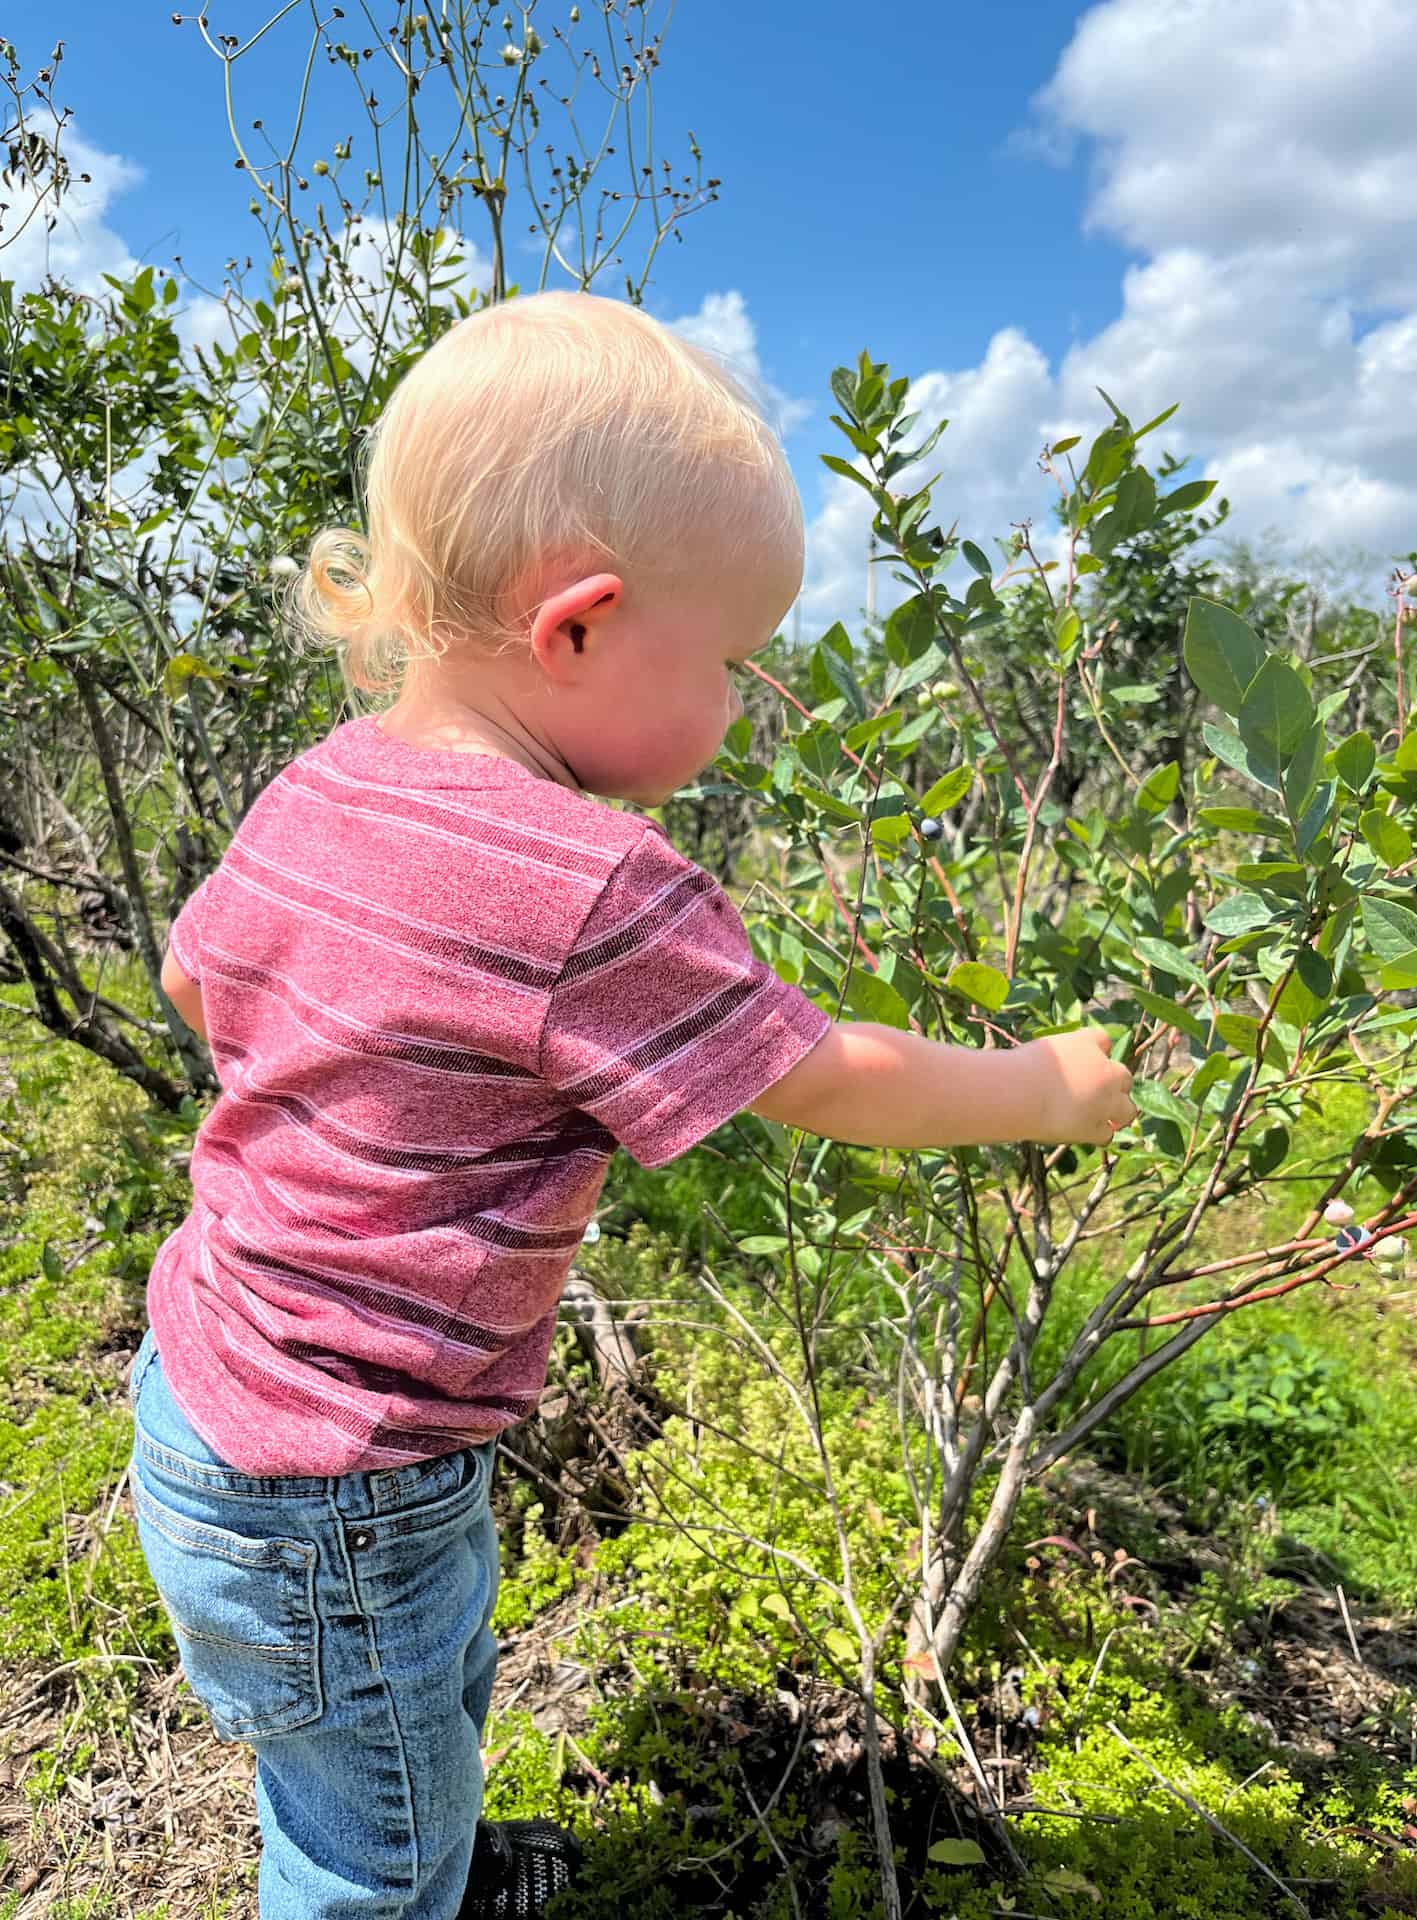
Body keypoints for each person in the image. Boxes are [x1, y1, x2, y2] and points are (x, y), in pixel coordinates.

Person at [127, 290, 1137, 1920]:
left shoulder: (326, 781)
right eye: (731, 663)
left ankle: (424, 1847)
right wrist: (1044, 1088)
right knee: (358, 1849)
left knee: (381, 1728)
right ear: (579, 624)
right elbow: (829, 1077)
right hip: (350, 1471)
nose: (739, 711)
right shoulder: (589, 876)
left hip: (215, 1391)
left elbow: (194, 979)